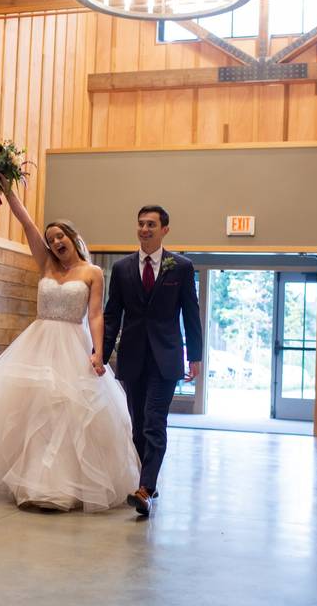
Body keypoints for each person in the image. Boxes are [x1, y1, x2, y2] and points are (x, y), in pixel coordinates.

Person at [0, 189, 139, 512]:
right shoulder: (46, 265)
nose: (55, 242)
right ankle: (32, 483)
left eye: (60, 236)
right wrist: (7, 186)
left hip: (72, 344)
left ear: (73, 238)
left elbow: (95, 315)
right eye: (51, 239)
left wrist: (98, 352)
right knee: (34, 411)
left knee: (67, 413)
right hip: (38, 344)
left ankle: (63, 486)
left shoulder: (92, 273)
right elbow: (25, 222)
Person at [103, 205, 203, 516]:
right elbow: (111, 316)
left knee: (155, 422)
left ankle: (144, 489)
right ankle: (150, 482)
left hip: (167, 357)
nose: (145, 229)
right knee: (138, 425)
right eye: (141, 224)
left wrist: (195, 357)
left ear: (164, 230)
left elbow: (190, 314)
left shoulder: (181, 267)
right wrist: (101, 356)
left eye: (151, 224)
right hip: (133, 357)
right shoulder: (122, 268)